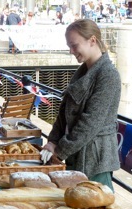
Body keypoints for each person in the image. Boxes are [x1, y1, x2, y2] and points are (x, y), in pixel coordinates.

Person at [40, 19, 121, 192]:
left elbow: (90, 122)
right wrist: (53, 141)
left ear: (92, 40)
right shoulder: (84, 71)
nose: (71, 51)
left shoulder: (108, 75)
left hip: (96, 160)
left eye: (74, 45)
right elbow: (64, 111)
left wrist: (60, 150)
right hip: (76, 154)